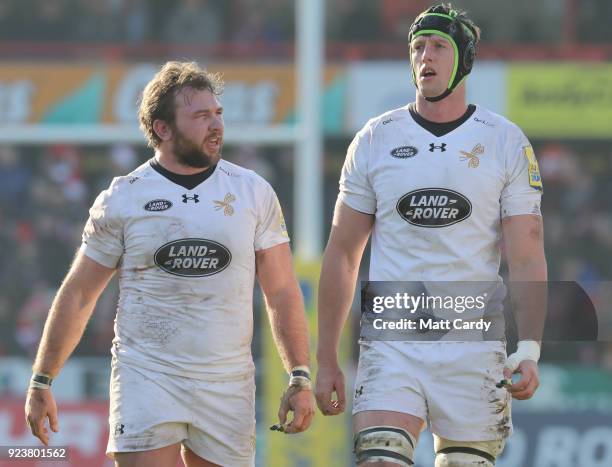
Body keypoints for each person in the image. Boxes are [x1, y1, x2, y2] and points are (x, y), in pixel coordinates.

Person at [25, 61, 315, 467]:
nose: (216, 125)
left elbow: (282, 291)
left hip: (227, 383)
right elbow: (78, 294)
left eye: (218, 114)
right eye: (200, 116)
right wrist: (42, 379)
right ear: (163, 129)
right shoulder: (124, 198)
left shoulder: (253, 192)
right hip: (147, 375)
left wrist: (299, 375)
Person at [316, 4, 546, 466]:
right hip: (393, 337)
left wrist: (530, 347)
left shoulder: (505, 141)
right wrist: (325, 358)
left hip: (474, 342)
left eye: (439, 46)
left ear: (464, 59)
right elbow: (343, 254)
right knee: (379, 459)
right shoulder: (375, 139)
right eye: (417, 47)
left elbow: (526, 255)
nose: (426, 56)